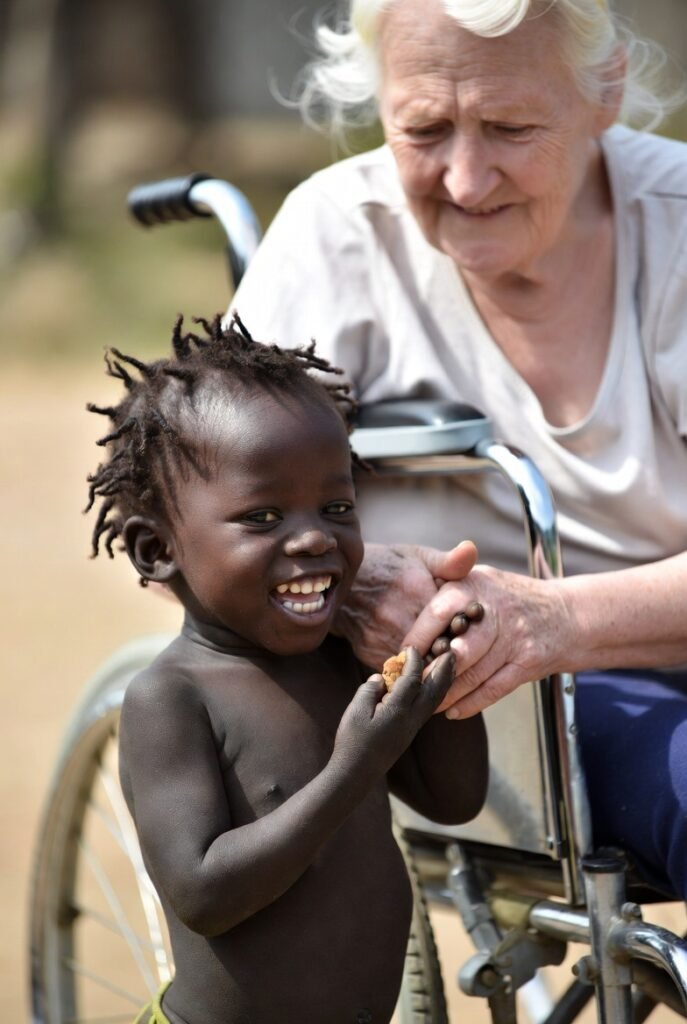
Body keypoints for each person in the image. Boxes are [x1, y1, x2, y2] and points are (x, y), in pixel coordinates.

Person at [229, 0, 687, 900]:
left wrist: (554, 616)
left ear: (604, 91)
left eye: (511, 128)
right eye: (424, 129)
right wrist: (345, 576)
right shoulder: (339, 236)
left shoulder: (674, 224)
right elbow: (186, 507)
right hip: (501, 703)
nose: (467, 181)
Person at [84, 312, 488, 1024]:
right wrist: (354, 767)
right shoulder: (171, 698)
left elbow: (454, 800)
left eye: (336, 507)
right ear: (158, 551)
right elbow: (203, 894)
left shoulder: (345, 658)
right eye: (263, 518)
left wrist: (443, 664)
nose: (313, 539)